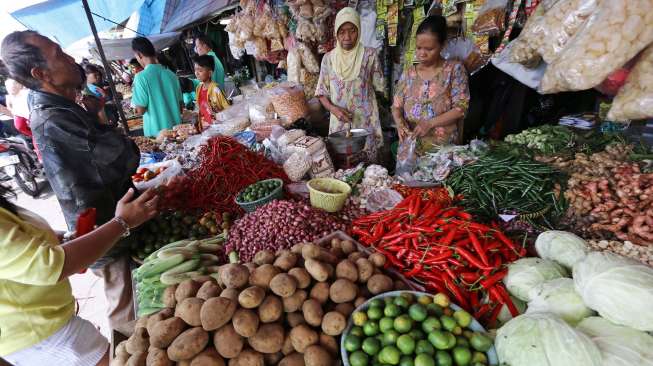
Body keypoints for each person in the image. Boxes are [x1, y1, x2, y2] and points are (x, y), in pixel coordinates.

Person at [1, 30, 143, 333]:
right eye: (59, 54)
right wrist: (110, 131)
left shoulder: (65, 106)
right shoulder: (54, 117)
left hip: (116, 220)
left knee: (135, 298)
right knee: (126, 312)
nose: (70, 59)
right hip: (105, 228)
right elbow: (126, 156)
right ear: (41, 74)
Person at [0, 183, 158, 365]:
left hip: (49, 321)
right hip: (39, 335)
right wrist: (122, 222)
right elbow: (49, 265)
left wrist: (65, 238)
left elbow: (22, 238)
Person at [315, 7, 386, 161]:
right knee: (343, 166)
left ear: (359, 30)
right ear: (336, 33)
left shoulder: (370, 55)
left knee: (369, 169)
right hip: (339, 123)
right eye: (342, 32)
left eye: (352, 30)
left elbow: (379, 88)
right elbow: (321, 92)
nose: (347, 37)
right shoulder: (328, 59)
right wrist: (334, 109)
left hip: (365, 121)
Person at [392, 15, 469, 152]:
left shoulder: (454, 70)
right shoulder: (409, 73)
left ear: (442, 45)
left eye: (429, 49)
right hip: (411, 148)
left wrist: (430, 123)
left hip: (442, 150)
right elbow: (396, 106)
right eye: (419, 48)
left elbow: (461, 108)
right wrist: (399, 123)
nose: (422, 54)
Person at [131, 36, 183, 137]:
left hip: (156, 136)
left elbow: (140, 110)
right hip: (176, 133)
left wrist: (135, 108)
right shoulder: (171, 75)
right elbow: (180, 107)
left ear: (139, 55)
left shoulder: (141, 77)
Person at [193, 55, 229, 128]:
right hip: (204, 127)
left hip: (217, 128)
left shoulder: (215, 89)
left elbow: (227, 109)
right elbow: (200, 108)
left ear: (210, 73)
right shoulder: (198, 88)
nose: (196, 73)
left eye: (200, 70)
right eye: (195, 70)